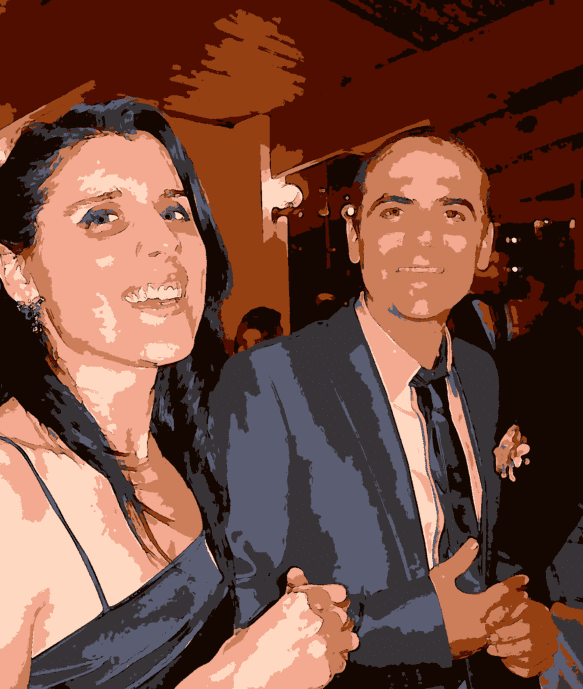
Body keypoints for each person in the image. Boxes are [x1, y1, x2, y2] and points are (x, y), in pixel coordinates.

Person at [0, 100, 357, 689]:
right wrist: (240, 680)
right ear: (17, 272)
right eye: (101, 217)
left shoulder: (181, 446)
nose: (163, 241)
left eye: (174, 211)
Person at [203, 130, 562, 689]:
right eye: (395, 211)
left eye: (453, 213)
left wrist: (520, 618)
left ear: (484, 243)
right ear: (355, 237)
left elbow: (487, 543)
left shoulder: (480, 372)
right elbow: (251, 605)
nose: (425, 240)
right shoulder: (268, 381)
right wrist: (422, 627)